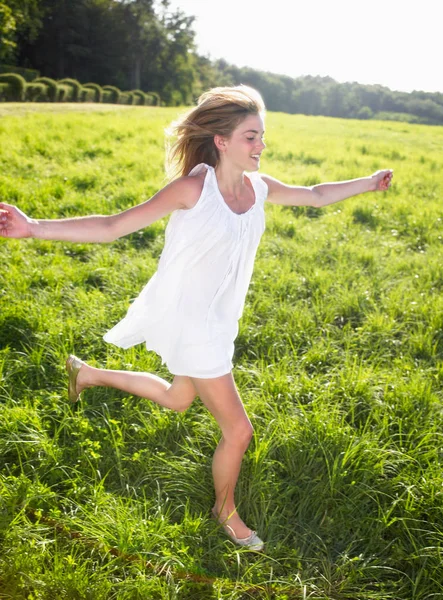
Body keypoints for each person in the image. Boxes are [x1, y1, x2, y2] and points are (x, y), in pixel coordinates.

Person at [0, 85, 393, 552]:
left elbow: (314, 194)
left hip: (219, 322)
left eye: (262, 136)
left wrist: (368, 182)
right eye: (251, 137)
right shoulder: (194, 188)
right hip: (194, 325)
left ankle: (86, 373)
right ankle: (224, 511)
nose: (261, 146)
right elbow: (112, 226)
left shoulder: (258, 188)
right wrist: (34, 228)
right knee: (238, 430)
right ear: (222, 141)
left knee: (176, 399)